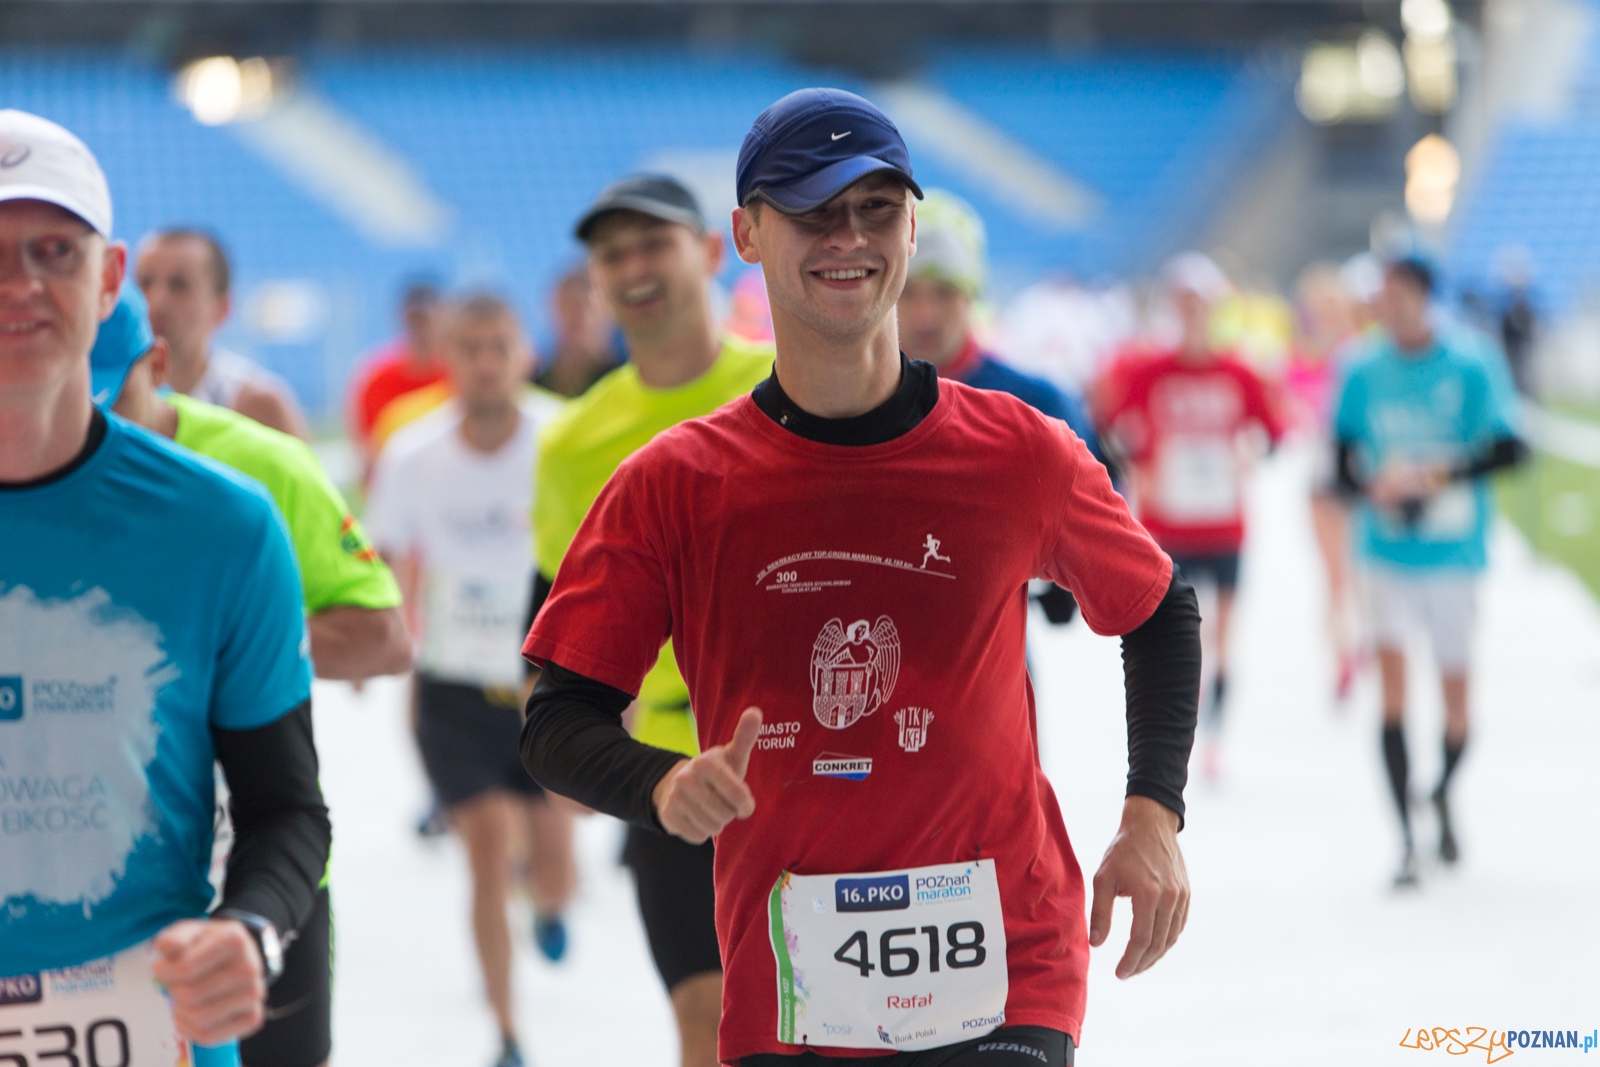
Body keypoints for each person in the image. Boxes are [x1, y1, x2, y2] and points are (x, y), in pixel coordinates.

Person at [522, 88, 1201, 1067]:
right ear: (746, 235)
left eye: (876, 207)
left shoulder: (1019, 452)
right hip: (788, 996)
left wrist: (1152, 814)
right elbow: (556, 716)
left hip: (1009, 965)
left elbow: (1156, 605)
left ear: (914, 228)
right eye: (809, 209)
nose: (848, 235)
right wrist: (663, 782)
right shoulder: (671, 483)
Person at [1, 108, 328, 1065]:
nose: (19, 282)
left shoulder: (223, 526)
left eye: (53, 250)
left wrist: (250, 931)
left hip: (155, 1029)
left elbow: (287, 809)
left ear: (107, 281)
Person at [94, 282, 411, 1067]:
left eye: (110, 396)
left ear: (158, 365)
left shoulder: (257, 472)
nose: (93, 425)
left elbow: (385, 638)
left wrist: (235, 639)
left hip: (253, 864)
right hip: (94, 888)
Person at [529, 173, 775, 1067]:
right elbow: (576, 629)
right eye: (611, 253)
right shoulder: (570, 444)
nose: (633, 268)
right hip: (676, 767)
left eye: (653, 244)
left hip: (818, 753)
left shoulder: (792, 379)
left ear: (712, 252)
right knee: (708, 1027)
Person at [364, 293, 573, 1067]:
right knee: (485, 851)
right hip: (451, 681)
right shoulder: (412, 452)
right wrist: (384, 646)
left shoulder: (562, 436)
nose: (486, 363)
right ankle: (508, 1030)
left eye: (499, 345)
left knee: (553, 864)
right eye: (471, 348)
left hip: (545, 680)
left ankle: (549, 901)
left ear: (523, 352)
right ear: (448, 359)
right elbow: (385, 557)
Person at [1333, 255, 1525, 887]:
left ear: (1421, 295)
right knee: (1390, 694)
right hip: (1387, 553)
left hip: (1453, 553)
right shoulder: (1360, 368)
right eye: (1379, 296)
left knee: (1456, 703)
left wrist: (1437, 475)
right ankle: (1406, 842)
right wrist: (1373, 483)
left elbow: (1510, 448)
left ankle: (1441, 789)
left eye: (1395, 293)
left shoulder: (1471, 361)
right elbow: (1340, 462)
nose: (1385, 305)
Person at [1098, 252, 1284, 776]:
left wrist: (1252, 451)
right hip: (1166, 523)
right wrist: (1135, 465)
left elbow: (1276, 432)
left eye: (1201, 305)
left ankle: (1216, 737)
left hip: (1224, 521)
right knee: (1178, 635)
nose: (1192, 315)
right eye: (1183, 305)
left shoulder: (1240, 371)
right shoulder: (1147, 370)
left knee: (1224, 634)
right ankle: (1178, 738)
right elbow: (1107, 425)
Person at [896, 188, 1110, 627]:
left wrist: (1065, 571)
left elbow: (1107, 508)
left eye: (944, 293)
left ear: (972, 293)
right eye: (908, 292)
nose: (925, 315)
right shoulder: (849, 400)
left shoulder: (1036, 402)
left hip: (997, 664)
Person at [135, 228, 309, 439]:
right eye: (145, 282)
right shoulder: (106, 395)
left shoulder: (259, 406)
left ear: (222, 307)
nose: (156, 301)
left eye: (179, 285)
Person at [1287, 264, 1366, 702]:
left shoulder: (1361, 354)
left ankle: (1363, 640)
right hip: (1321, 475)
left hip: (1359, 476)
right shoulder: (1303, 357)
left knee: (1360, 571)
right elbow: (1290, 410)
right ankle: (1341, 656)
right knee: (1334, 575)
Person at [347, 278, 451, 464]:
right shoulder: (376, 378)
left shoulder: (459, 374)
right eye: (415, 319)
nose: (421, 329)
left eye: (426, 320)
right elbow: (367, 452)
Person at [534, 262, 623, 398]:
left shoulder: (622, 380)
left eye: (585, 305)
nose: (575, 316)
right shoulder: (533, 381)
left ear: (607, 312)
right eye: (567, 305)